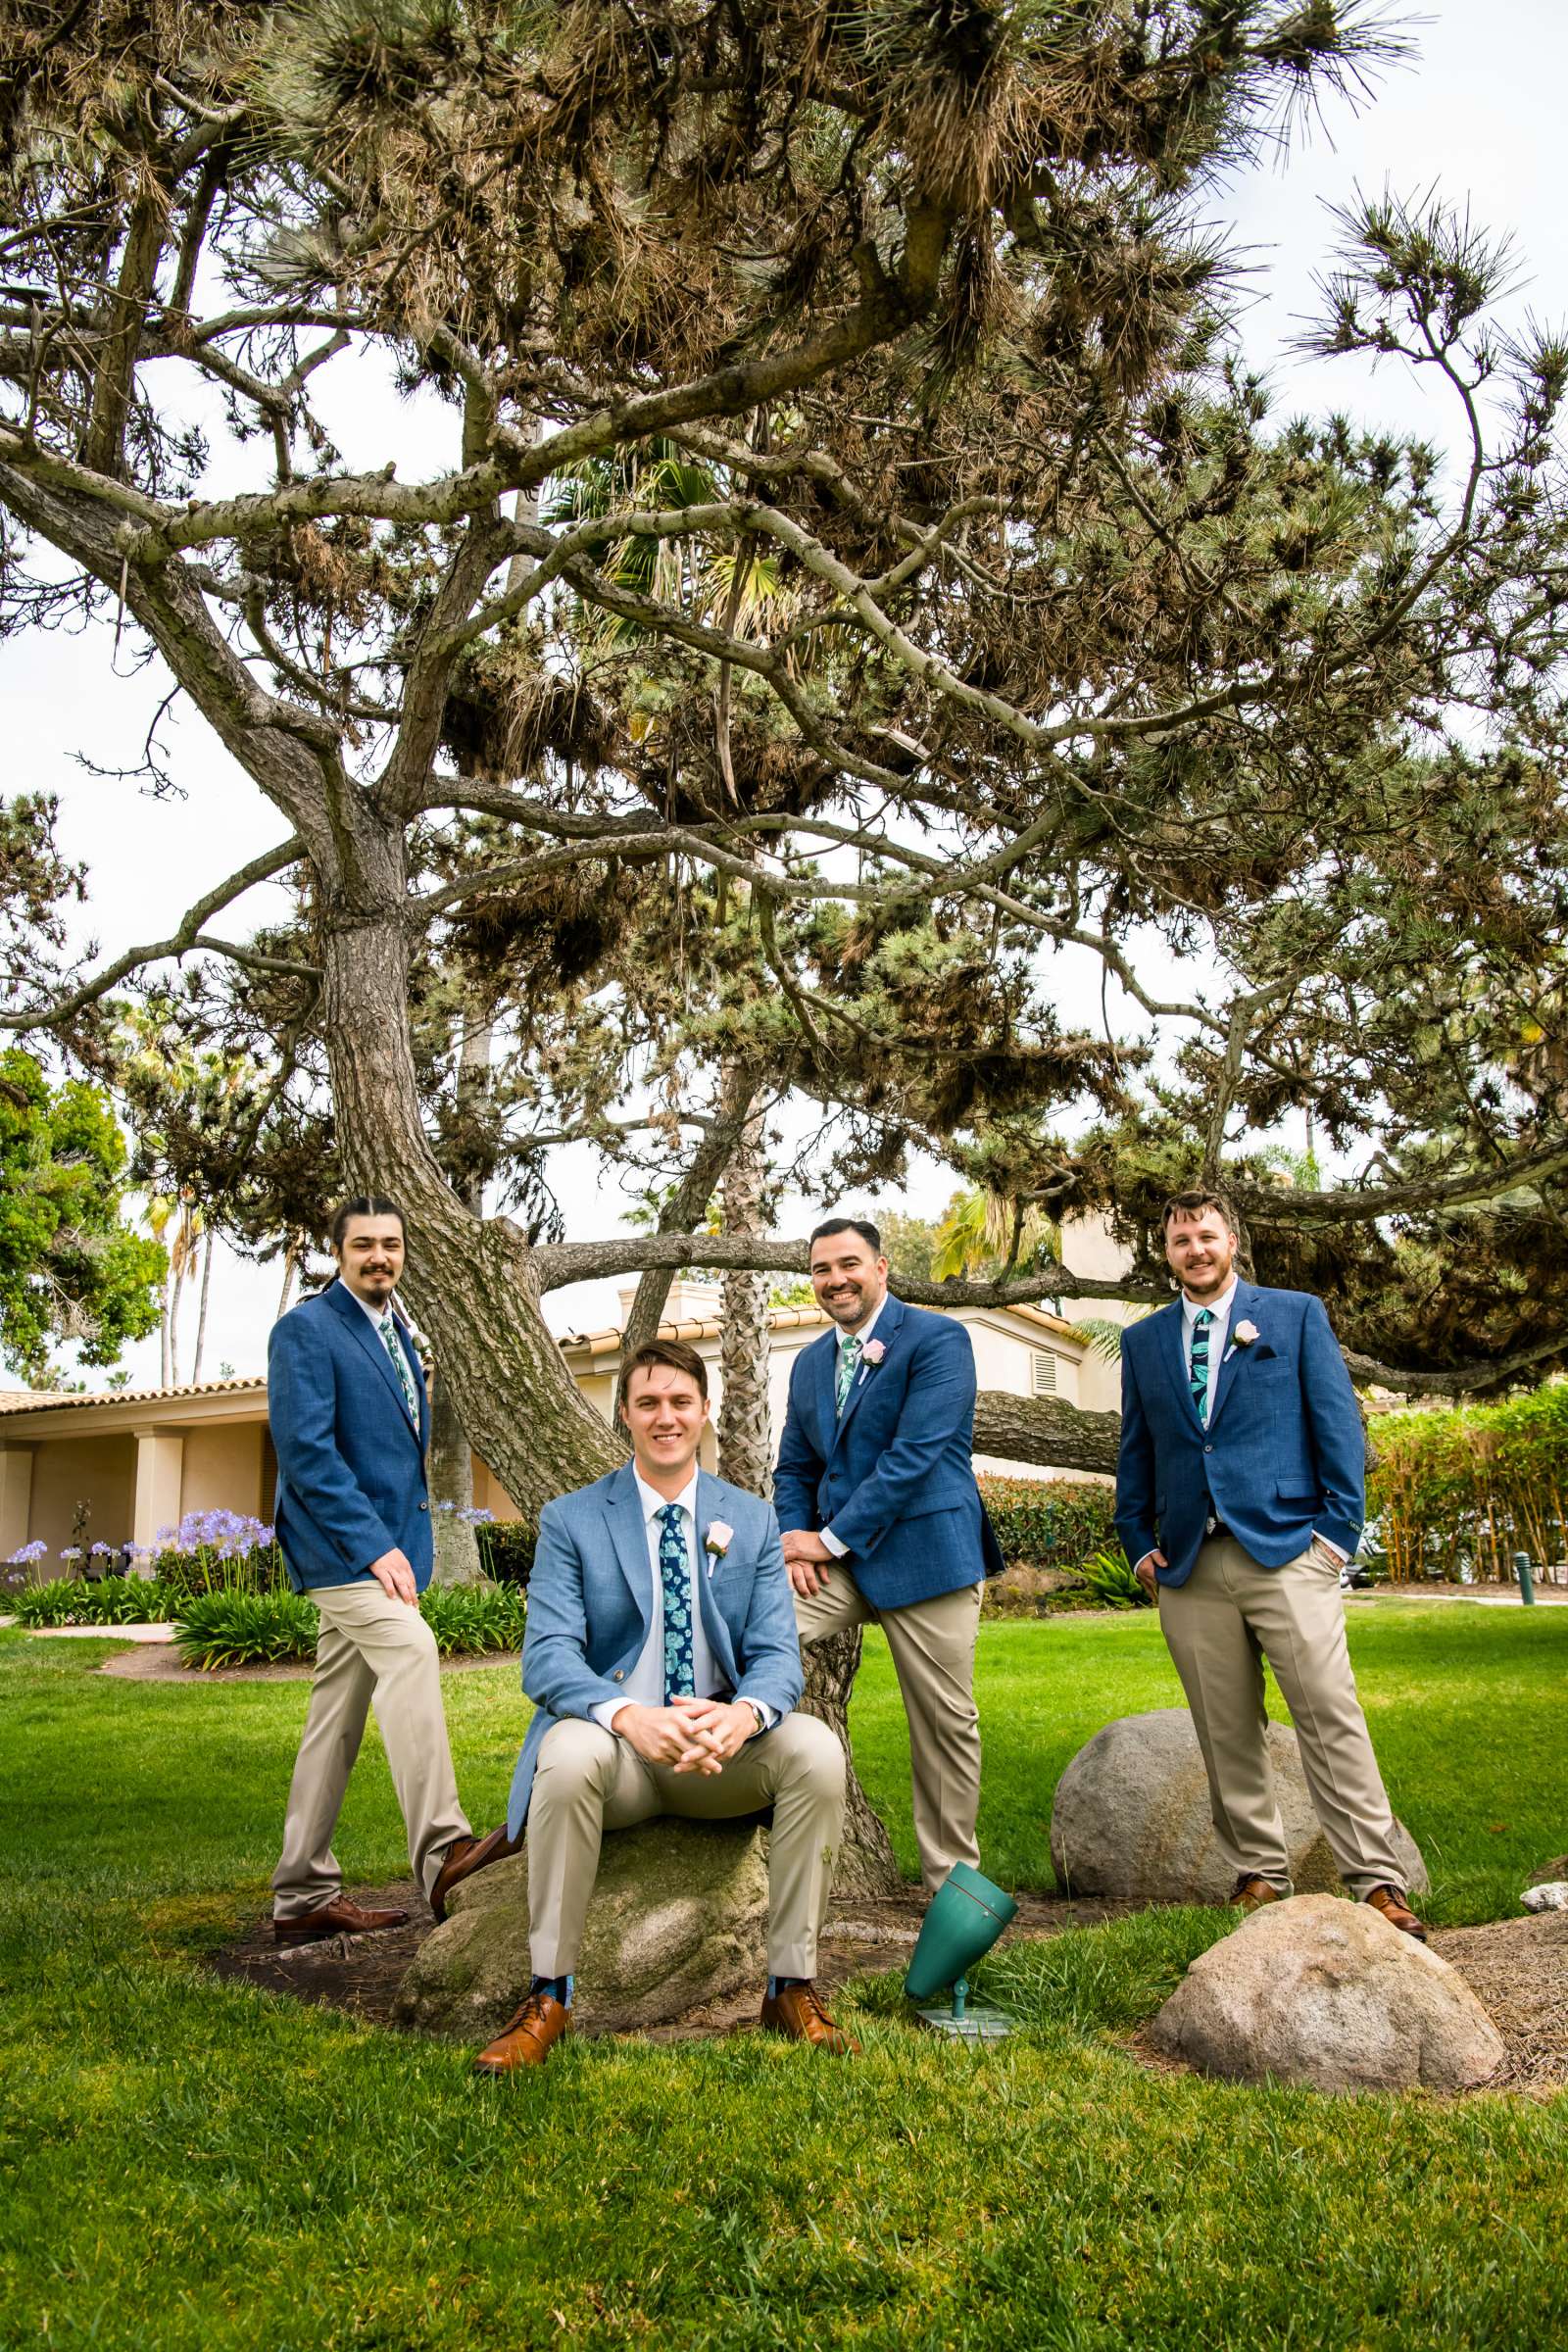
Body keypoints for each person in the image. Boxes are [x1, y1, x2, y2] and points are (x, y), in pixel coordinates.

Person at [472, 1338, 852, 2073]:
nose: (665, 1417)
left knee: (815, 1750)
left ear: (705, 1411)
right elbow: (547, 1657)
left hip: (721, 1756)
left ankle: (789, 1987)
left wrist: (741, 1717)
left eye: (681, 1402)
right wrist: (627, 1717)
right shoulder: (572, 1519)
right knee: (566, 1749)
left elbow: (778, 1657)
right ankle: (548, 1996)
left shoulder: (752, 1519)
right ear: (625, 1415)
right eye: (648, 1403)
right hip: (622, 1757)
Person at [1114, 1188, 1426, 1937]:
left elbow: (1338, 1428)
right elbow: (1138, 1451)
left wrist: (1336, 1537)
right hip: (1190, 1563)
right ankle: (1259, 1873)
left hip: (1289, 1550)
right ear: (1167, 1251)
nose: (1196, 1249)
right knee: (1224, 1729)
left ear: (1233, 1242)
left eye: (1207, 1236)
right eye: (1182, 1239)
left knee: (1329, 1714)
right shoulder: (1146, 1341)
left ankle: (1376, 1881)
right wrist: (1137, 1543)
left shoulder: (1294, 1315)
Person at [268, 1197, 513, 1944]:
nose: (380, 1256)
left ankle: (303, 1893)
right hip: (338, 1546)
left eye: (392, 1245)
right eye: (365, 1244)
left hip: (380, 1544)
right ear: (336, 1251)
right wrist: (377, 1546)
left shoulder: (400, 1333)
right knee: (411, 1648)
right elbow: (307, 1453)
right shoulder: (306, 1330)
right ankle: (444, 1849)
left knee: (333, 1718)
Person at [772, 1216, 1004, 1898]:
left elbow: (915, 1456)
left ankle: (952, 1891)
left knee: (943, 1724)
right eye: (821, 1269)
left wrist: (829, 1538)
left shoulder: (938, 1340)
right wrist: (794, 1543)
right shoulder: (811, 1362)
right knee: (745, 1632)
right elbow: (794, 1466)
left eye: (848, 1264)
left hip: (927, 1556)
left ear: (880, 1268)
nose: (834, 1280)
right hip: (834, 1568)